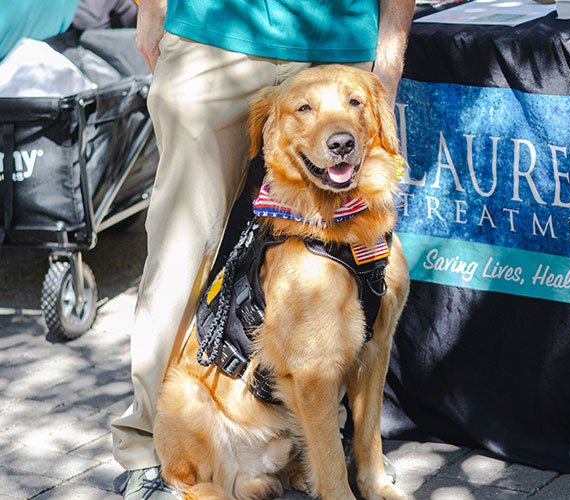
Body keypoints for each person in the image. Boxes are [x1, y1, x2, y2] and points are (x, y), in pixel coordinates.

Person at [109, 0, 414, 498]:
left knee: (355, 276)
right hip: (211, 33)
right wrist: (151, 9)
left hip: (336, 40)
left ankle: (315, 449)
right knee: (183, 248)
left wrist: (389, 58)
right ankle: (154, 451)